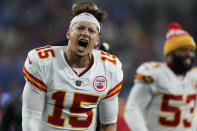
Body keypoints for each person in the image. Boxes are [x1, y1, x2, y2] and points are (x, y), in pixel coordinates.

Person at [22, 1, 123, 131]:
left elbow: (108, 124)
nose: (85, 33)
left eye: (91, 30)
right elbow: (31, 116)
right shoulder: (43, 61)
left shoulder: (109, 67)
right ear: (68, 33)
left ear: (97, 40)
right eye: (80, 28)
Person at [124, 22, 197, 131]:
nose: (189, 54)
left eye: (191, 50)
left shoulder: (193, 75)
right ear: (171, 53)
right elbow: (132, 110)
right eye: (183, 50)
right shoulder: (154, 74)